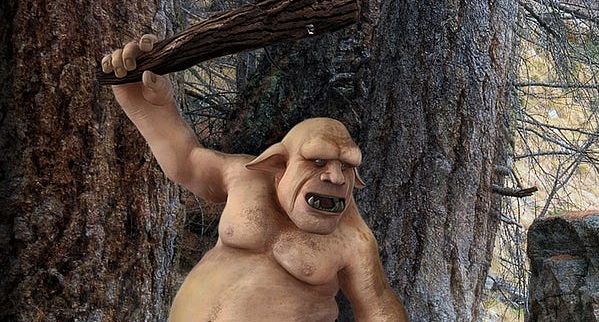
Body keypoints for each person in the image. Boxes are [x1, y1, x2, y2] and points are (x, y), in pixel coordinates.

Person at [103, 35, 406, 321]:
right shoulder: (243, 177)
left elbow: (378, 309)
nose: (336, 177)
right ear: (278, 163)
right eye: (317, 161)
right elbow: (185, 162)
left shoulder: (353, 239)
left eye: (348, 166)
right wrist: (145, 105)